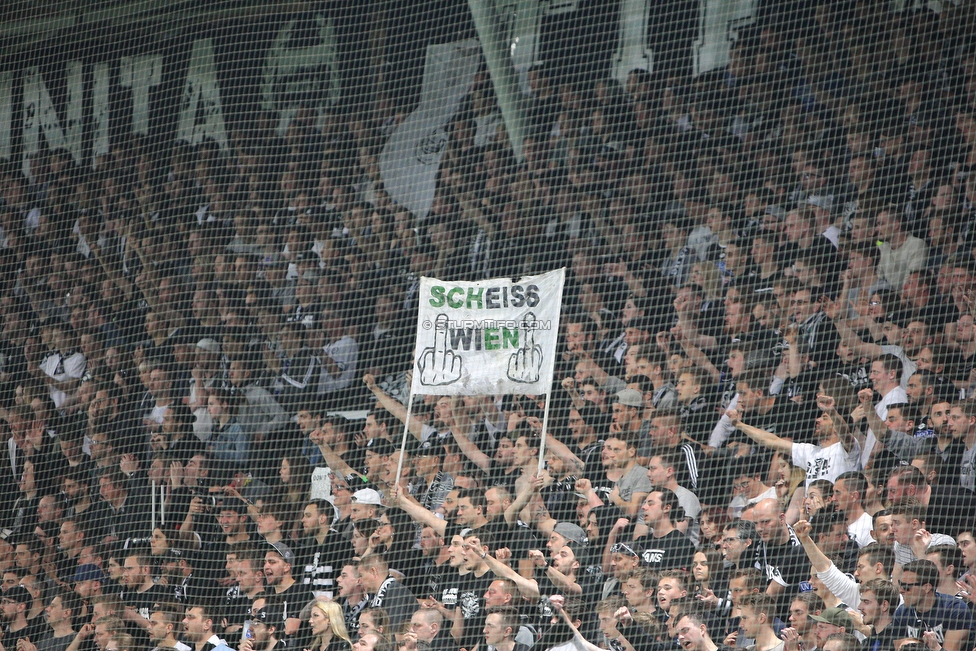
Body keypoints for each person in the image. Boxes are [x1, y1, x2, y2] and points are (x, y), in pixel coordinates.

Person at [890, 560, 972, 651]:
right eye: (900, 584)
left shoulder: (955, 609)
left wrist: (935, 647)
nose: (901, 590)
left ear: (927, 587)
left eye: (906, 587)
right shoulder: (901, 613)